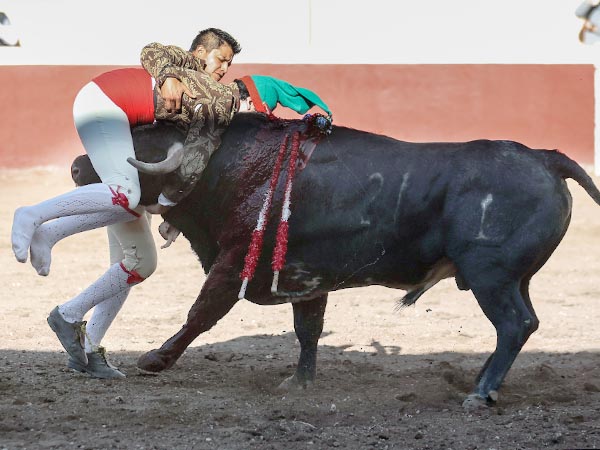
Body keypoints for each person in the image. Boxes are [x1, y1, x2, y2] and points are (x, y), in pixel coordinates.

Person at [10, 28, 242, 379]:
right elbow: (154, 50)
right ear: (199, 52)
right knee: (126, 195)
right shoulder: (186, 67)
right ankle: (36, 219)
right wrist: (167, 77)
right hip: (104, 103)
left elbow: (191, 160)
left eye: (230, 64)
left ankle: (85, 347)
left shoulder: (203, 107)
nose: (225, 69)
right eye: (221, 59)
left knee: (139, 263)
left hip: (125, 149)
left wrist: (173, 212)